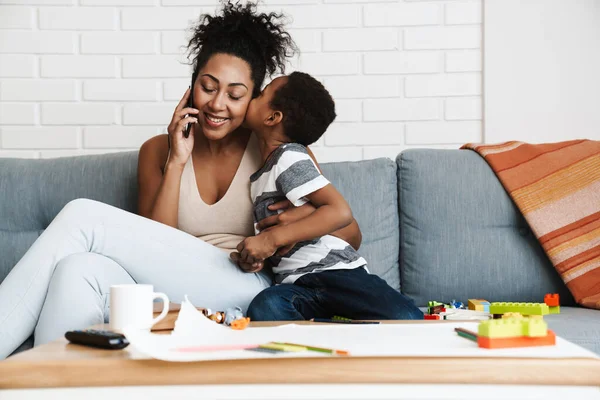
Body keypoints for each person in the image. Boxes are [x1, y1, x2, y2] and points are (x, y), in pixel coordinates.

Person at [0, 2, 362, 359]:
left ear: (254, 100)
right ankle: (51, 384)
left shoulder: (277, 151)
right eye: (208, 87)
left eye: (235, 95)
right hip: (169, 288)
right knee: (76, 269)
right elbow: (152, 244)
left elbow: (350, 233)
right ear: (191, 87)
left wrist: (286, 226)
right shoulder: (158, 151)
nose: (217, 104)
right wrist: (176, 160)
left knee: (81, 216)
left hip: (244, 286)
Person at [235, 72, 423, 321]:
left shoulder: (289, 157)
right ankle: (333, 327)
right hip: (298, 284)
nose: (252, 96)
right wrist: (258, 257)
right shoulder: (262, 174)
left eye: (261, 93)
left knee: (407, 319)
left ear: (272, 117)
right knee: (265, 307)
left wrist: (270, 239)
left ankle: (334, 328)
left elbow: (339, 211)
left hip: (335, 273)